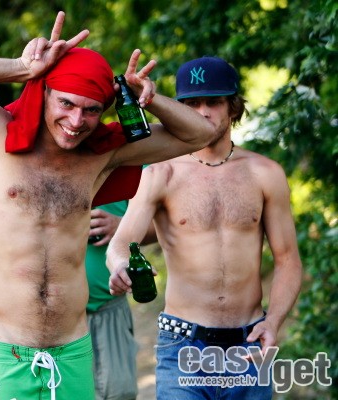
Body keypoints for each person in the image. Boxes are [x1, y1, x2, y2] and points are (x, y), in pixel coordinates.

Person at [0, 11, 215, 399]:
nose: (77, 121)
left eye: (92, 110)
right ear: (44, 91)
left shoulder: (101, 154)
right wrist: (24, 68)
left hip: (72, 351)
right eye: (67, 103)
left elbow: (200, 134)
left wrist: (149, 98)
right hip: (0, 351)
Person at [107, 56, 302, 399]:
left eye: (213, 102)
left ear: (233, 107)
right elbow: (121, 243)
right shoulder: (161, 173)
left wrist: (272, 323)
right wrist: (121, 265)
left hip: (250, 344)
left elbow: (287, 260)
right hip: (181, 344)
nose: (203, 112)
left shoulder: (265, 173)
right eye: (192, 104)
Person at [86, 201, 138, 400]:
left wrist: (123, 226)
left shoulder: (132, 179)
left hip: (108, 309)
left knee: (119, 393)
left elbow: (166, 222)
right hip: (52, 317)